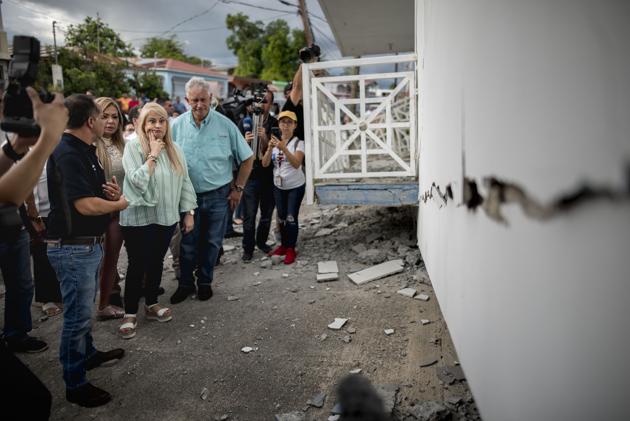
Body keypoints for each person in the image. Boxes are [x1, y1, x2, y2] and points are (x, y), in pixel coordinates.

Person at [46, 94, 128, 407]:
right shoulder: (67, 153)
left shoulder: (85, 150)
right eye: (99, 116)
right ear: (90, 120)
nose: (104, 121)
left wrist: (112, 193)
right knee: (77, 319)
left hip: (86, 247)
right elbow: (84, 205)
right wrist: (119, 204)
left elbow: (94, 193)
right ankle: (75, 383)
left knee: (82, 312)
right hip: (72, 249)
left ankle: (89, 354)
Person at [0, 87, 68, 421]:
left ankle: (16, 333)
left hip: (8, 228)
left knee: (22, 285)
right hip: (13, 213)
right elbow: (7, 192)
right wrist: (45, 141)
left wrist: (17, 146)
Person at [170, 77, 253, 304]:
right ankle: (186, 284)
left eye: (203, 99)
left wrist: (238, 189)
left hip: (219, 195)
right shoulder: (175, 127)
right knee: (187, 243)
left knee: (212, 243)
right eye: (194, 100)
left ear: (211, 99)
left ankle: (204, 282)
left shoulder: (225, 125)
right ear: (187, 100)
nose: (199, 104)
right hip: (188, 197)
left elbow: (247, 158)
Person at [118, 103, 196, 339]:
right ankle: (129, 312)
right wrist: (152, 154)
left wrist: (188, 211)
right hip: (137, 219)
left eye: (162, 121)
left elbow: (184, 181)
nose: (157, 126)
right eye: (151, 121)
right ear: (142, 124)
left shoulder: (175, 150)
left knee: (155, 262)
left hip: (165, 217)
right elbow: (136, 182)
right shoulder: (132, 147)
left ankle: (151, 304)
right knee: (137, 265)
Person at [94, 97, 127, 320]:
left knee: (123, 255)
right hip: (106, 211)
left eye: (114, 117)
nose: (110, 121)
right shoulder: (91, 145)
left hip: (127, 206)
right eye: (104, 116)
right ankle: (105, 302)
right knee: (109, 259)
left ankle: (119, 291)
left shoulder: (123, 144)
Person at [261, 111, 305, 265]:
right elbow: (265, 164)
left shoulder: (299, 143)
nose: (285, 125)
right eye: (282, 122)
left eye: (289, 122)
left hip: (295, 186)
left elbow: (296, 163)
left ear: (295, 125)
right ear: (278, 125)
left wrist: (284, 149)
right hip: (279, 186)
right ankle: (283, 245)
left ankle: (291, 248)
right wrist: (269, 149)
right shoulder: (275, 142)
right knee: (281, 217)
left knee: (291, 217)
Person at [238, 90, 278, 261]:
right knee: (249, 215)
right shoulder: (244, 122)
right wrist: (244, 142)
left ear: (271, 104)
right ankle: (248, 248)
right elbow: (235, 150)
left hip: (269, 175)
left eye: (266, 101)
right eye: (258, 101)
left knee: (267, 214)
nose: (261, 104)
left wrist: (264, 138)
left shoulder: (275, 123)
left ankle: (261, 242)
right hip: (251, 175)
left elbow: (276, 150)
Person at [25, 166, 62, 317]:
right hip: (38, 214)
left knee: (57, 251)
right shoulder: (23, 151)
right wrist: (34, 216)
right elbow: (27, 186)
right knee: (41, 254)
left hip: (55, 210)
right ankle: (46, 298)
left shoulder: (54, 146)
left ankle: (58, 293)